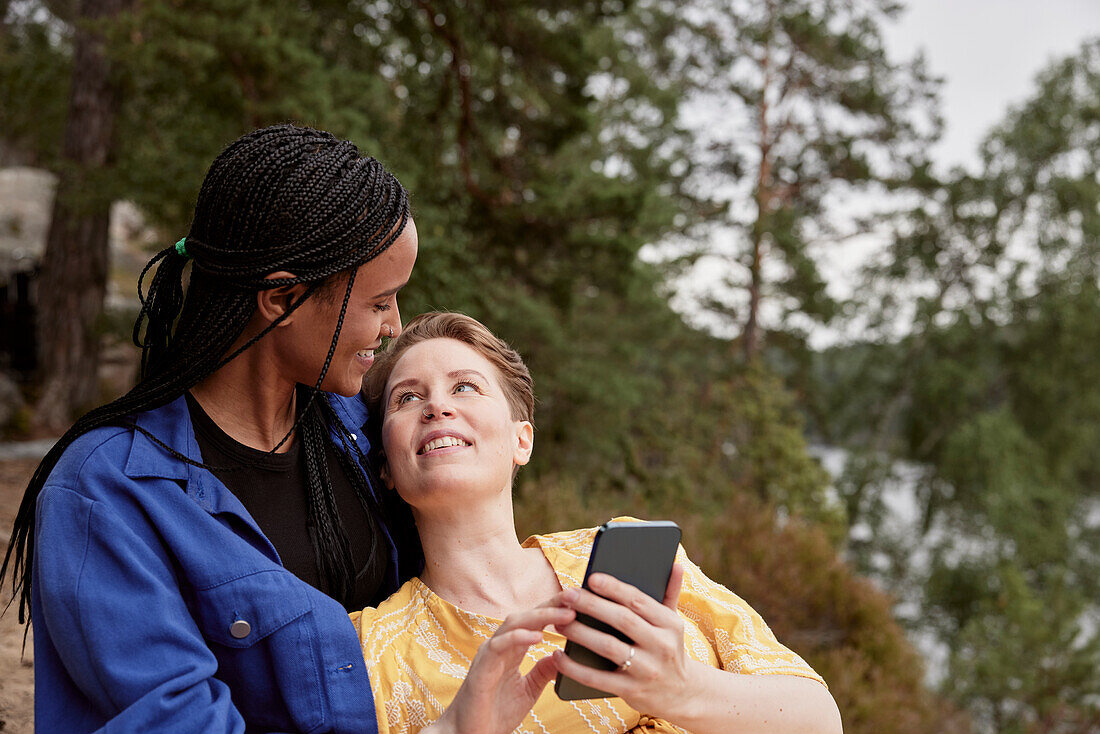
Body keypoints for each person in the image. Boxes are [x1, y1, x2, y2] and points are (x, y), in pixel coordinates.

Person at [0, 124, 425, 732]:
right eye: (380, 303)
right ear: (281, 299)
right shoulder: (108, 493)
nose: (393, 327)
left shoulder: (363, 433)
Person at [355, 312, 844, 734]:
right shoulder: (370, 649)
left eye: (465, 386)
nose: (437, 406)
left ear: (521, 441)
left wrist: (683, 690)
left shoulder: (633, 559)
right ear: (386, 468)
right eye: (407, 398)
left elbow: (822, 720)